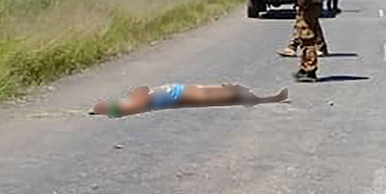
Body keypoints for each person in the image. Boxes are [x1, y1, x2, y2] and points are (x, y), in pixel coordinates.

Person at [90, 84, 288, 118]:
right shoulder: (134, 105)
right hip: (179, 94)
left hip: (178, 93)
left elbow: (139, 92)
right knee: (213, 94)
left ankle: (250, 96)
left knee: (214, 92)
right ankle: (245, 95)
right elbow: (140, 93)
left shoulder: (130, 104)